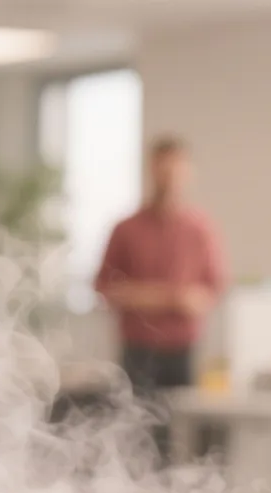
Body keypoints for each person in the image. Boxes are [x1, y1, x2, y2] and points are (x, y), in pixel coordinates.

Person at [94, 136, 227, 414]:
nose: (169, 177)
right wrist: (171, 298)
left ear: (188, 172)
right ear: (151, 170)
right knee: (133, 430)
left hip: (183, 351)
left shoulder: (200, 230)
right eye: (163, 169)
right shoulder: (126, 229)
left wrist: (188, 300)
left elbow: (214, 291)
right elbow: (104, 288)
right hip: (138, 350)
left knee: (183, 433)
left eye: (175, 170)